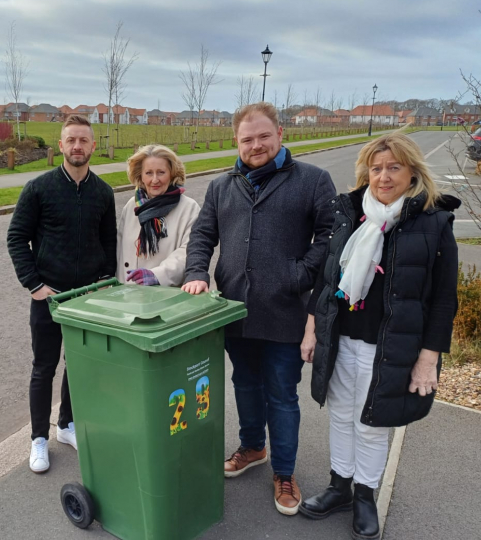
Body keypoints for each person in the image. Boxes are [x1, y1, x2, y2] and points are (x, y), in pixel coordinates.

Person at [299, 133, 459, 539]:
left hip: (389, 346)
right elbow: (327, 276)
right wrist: (312, 327)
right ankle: (340, 486)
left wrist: (428, 359)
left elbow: (443, 300)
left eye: (394, 168)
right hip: (342, 338)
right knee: (339, 414)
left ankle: (365, 495)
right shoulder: (351, 214)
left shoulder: (433, 222)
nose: (383, 177)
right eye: (376, 168)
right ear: (365, 172)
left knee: (372, 422)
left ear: (412, 172)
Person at [182, 102, 336, 515]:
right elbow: (203, 235)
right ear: (236, 140)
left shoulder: (313, 181)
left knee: (282, 396)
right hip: (234, 311)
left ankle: (284, 472)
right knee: (244, 386)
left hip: (285, 312)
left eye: (264, 136)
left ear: (280, 134)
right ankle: (253, 447)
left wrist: (299, 274)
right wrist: (196, 271)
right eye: (247, 139)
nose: (256, 145)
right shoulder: (221, 186)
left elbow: (330, 238)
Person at [6, 115, 117, 473]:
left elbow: (108, 242)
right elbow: (16, 238)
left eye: (83, 141)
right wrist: (34, 285)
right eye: (71, 140)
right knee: (44, 367)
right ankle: (39, 437)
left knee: (78, 365)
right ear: (62, 144)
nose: (77, 147)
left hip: (86, 298)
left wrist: (104, 281)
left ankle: (66, 425)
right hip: (49, 298)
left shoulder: (103, 193)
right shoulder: (39, 189)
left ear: (93, 146)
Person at [116, 144, 200, 287]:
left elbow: (189, 251)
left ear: (172, 174)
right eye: (149, 173)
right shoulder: (132, 205)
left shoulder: (189, 208)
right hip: (127, 295)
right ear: (140, 176)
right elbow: (120, 248)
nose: (155, 180)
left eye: (161, 172)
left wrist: (157, 275)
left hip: (163, 296)